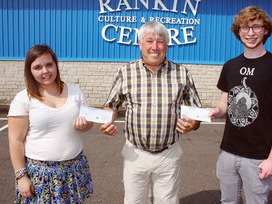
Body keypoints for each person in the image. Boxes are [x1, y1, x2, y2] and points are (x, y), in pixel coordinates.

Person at [99, 21, 202, 204]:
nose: (155, 47)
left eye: (160, 41)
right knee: (134, 201)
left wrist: (192, 123)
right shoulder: (126, 72)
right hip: (135, 154)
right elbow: (111, 105)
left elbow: (196, 110)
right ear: (140, 44)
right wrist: (107, 121)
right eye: (149, 41)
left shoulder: (181, 73)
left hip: (168, 155)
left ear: (167, 45)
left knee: (168, 201)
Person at [209, 6, 272, 204]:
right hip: (227, 152)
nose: (250, 33)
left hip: (258, 156)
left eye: (256, 27)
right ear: (238, 31)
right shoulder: (230, 66)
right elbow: (224, 103)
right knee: (228, 201)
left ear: (266, 30)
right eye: (245, 28)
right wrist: (216, 111)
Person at [8, 44, 94, 203]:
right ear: (30, 71)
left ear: (56, 64)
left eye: (49, 64)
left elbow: (88, 124)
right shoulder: (23, 99)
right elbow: (15, 141)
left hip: (73, 170)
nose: (45, 71)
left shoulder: (75, 92)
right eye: (37, 67)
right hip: (40, 176)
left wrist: (86, 125)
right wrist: (21, 176)